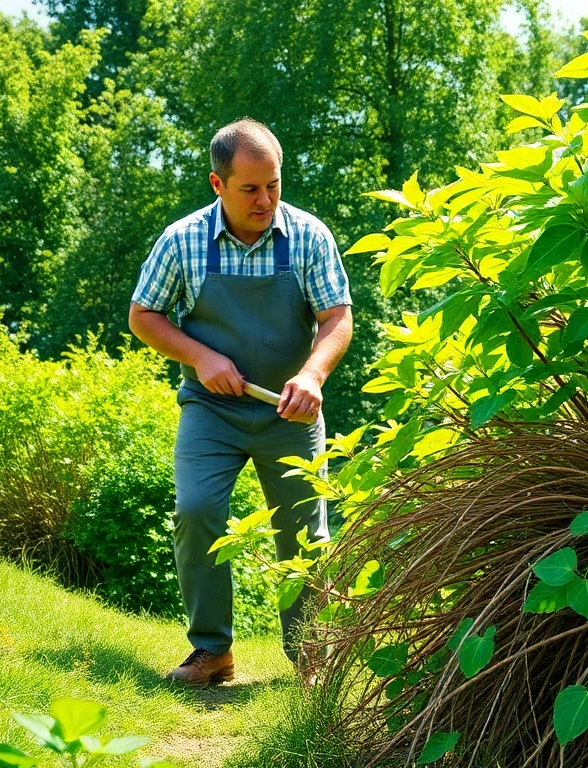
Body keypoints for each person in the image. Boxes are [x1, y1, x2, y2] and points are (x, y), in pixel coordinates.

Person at [127, 118, 353, 686]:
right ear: (217, 184)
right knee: (198, 511)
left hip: (291, 411)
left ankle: (311, 659)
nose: (265, 200)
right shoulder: (182, 241)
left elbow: (337, 317)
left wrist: (313, 374)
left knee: (306, 534)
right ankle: (212, 652)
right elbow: (143, 316)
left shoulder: (308, 236)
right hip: (213, 413)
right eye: (250, 189)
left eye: (273, 185)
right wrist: (201, 357)